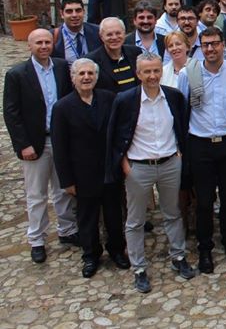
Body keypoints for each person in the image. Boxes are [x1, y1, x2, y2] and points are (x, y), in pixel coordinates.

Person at [106, 53, 196, 293]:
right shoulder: (125, 100)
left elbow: (182, 127)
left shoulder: (173, 97)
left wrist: (179, 154)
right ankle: (138, 268)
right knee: (135, 220)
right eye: (147, 71)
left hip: (169, 163)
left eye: (156, 70)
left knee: (173, 213)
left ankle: (178, 256)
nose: (152, 76)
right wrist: (124, 164)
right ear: (138, 74)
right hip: (139, 167)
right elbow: (115, 135)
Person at [176, 26, 226, 273]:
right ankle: (205, 248)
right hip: (200, 144)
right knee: (204, 201)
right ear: (200, 47)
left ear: (223, 46)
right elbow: (182, 109)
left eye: (215, 43)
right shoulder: (189, 73)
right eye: (206, 44)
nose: (210, 49)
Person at [3, 28, 78, 263]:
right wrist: (23, 144)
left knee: (63, 188)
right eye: (39, 43)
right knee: (36, 194)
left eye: (47, 42)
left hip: (60, 139)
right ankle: (37, 238)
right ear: (30, 46)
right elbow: (11, 113)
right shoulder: (17, 74)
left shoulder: (61, 68)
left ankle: (67, 230)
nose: (44, 46)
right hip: (35, 142)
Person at [51, 58, 128, 278]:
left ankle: (117, 250)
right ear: (73, 78)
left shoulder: (109, 99)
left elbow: (119, 133)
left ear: (96, 77)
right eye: (82, 74)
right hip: (82, 174)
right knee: (87, 218)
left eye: (90, 73)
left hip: (109, 170)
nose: (86, 77)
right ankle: (91, 255)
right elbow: (60, 147)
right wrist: (66, 180)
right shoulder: (62, 107)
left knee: (114, 214)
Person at [85, 17, 142, 93]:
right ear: (101, 36)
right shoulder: (91, 61)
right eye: (109, 34)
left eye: (118, 33)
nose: (114, 37)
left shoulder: (136, 52)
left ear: (124, 33)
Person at [53, 0, 102, 65]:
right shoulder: (53, 36)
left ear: (84, 12)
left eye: (78, 10)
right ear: (62, 14)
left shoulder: (97, 32)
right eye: (69, 11)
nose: (74, 15)